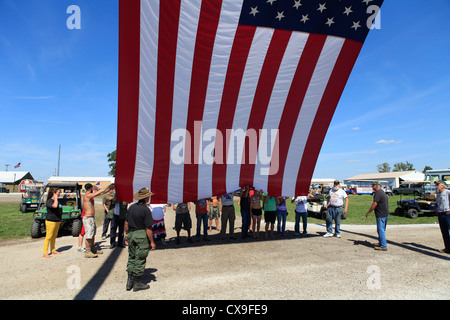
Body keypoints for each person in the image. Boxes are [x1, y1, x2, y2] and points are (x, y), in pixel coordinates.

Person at [125, 188, 156, 291]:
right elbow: (148, 228)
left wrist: (127, 235)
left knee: (132, 256)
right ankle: (137, 283)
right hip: (141, 234)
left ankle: (129, 282)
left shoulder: (131, 208)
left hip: (131, 234)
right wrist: (152, 242)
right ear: (146, 197)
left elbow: (126, 223)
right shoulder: (145, 210)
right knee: (140, 258)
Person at [82, 183, 114, 258]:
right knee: (89, 235)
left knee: (93, 234)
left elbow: (99, 194)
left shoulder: (90, 196)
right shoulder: (87, 195)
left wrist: (107, 190)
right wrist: (104, 189)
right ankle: (87, 251)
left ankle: (93, 249)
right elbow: (98, 193)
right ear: (90, 189)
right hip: (87, 218)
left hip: (91, 218)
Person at [365, 181, 389, 251]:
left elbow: (375, 204)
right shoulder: (382, 192)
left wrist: (368, 212)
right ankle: (381, 242)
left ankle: (383, 245)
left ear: (376, 186)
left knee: (380, 230)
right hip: (385, 214)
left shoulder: (378, 193)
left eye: (373, 185)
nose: (372, 187)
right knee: (381, 230)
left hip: (381, 214)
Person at [42, 187, 62, 258]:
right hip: (51, 221)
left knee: (54, 236)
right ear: (54, 193)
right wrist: (56, 198)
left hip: (57, 221)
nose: (60, 193)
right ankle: (45, 252)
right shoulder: (49, 201)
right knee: (48, 236)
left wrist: (60, 219)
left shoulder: (58, 201)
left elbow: (59, 210)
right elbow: (55, 206)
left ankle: (53, 250)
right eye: (58, 192)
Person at [435, 180, 450, 254]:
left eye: (438, 185)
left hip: (447, 214)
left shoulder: (448, 192)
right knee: (444, 232)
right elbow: (436, 202)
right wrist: (436, 209)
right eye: (436, 185)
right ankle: (447, 248)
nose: (436, 186)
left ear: (443, 185)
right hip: (441, 214)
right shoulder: (438, 193)